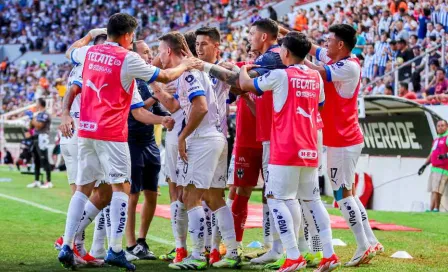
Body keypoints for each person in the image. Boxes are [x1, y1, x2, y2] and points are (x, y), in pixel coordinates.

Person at [57, 13, 198, 271]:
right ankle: (116, 250)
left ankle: (67, 245)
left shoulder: (89, 53)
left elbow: (70, 52)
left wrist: (88, 35)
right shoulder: (128, 58)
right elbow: (165, 76)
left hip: (86, 130)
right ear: (128, 36)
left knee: (82, 188)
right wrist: (186, 65)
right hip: (111, 134)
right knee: (121, 188)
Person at [239, 31, 341, 272]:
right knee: (313, 200)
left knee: (276, 199)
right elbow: (320, 105)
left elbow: (244, 84)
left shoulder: (279, 75)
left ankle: (293, 255)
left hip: (284, 147)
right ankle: (329, 254)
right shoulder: (316, 78)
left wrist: (245, 67)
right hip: (309, 147)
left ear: (285, 52)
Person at [195, 18, 287, 265]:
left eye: (252, 37)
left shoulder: (268, 67)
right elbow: (230, 80)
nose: (248, 44)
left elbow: (241, 84)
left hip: (270, 138)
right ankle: (232, 242)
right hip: (246, 140)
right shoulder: (244, 66)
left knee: (274, 193)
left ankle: (272, 245)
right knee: (239, 191)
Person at [152, 31, 240, 270]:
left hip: (202, 139)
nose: (159, 55)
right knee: (213, 197)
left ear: (168, 51)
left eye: (160, 50)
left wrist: (182, 136)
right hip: (216, 136)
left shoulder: (189, 73)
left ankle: (197, 256)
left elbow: (199, 107)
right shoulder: (195, 71)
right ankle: (232, 251)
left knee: (190, 196)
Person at [305, 24, 383, 266]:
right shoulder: (338, 59)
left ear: (340, 45)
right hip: (344, 139)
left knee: (341, 195)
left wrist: (296, 59)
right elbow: (312, 49)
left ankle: (362, 246)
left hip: (343, 140)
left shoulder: (348, 66)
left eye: (329, 40)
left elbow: (319, 71)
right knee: (348, 193)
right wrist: (286, 35)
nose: (325, 44)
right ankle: (371, 240)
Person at [55, 33, 109, 267]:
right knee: (99, 191)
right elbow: (74, 91)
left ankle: (76, 246)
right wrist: (66, 114)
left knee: (85, 193)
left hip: (72, 135)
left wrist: (87, 36)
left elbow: (70, 50)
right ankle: (69, 242)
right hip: (81, 134)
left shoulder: (79, 61)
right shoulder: (92, 64)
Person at [125, 40, 174, 261]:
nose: (148, 56)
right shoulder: (128, 79)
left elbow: (156, 107)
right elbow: (138, 110)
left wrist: (169, 104)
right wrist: (158, 97)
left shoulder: (146, 79)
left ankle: (142, 240)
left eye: (150, 53)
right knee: (132, 195)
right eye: (144, 53)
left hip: (150, 143)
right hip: (131, 141)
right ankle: (130, 243)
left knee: (152, 194)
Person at [419, 120, 448, 212]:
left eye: (442, 125)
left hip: (443, 169)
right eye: (438, 126)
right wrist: (424, 165)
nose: (440, 127)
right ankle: (431, 209)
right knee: (433, 189)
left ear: (446, 127)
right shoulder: (436, 140)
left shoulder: (447, 138)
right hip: (434, 168)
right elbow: (431, 154)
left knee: (437, 190)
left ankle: (436, 208)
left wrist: (445, 155)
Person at [26, 98, 52, 189]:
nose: (35, 105)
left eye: (36, 103)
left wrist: (32, 118)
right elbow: (31, 126)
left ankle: (48, 181)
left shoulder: (45, 114)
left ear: (40, 104)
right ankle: (37, 180)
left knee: (44, 159)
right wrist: (31, 118)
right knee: (36, 159)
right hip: (36, 137)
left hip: (43, 137)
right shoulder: (38, 114)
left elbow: (39, 126)